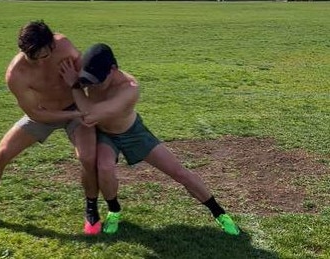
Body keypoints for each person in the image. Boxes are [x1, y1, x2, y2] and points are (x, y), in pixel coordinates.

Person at [59, 43, 240, 235]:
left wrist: (74, 86)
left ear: (113, 69)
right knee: (104, 167)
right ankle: (114, 210)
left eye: (99, 79)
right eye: (90, 80)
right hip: (105, 134)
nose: (95, 84)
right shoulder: (90, 74)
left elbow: (89, 115)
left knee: (179, 172)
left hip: (133, 133)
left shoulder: (129, 88)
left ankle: (219, 212)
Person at [0, 21, 101, 235]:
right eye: (35, 57)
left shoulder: (62, 45)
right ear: (23, 50)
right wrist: (74, 114)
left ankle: (91, 209)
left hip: (76, 107)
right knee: (0, 155)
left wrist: (79, 90)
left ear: (51, 42)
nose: (42, 62)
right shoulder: (16, 74)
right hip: (46, 114)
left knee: (88, 158)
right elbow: (36, 114)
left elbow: (87, 74)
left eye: (46, 55)